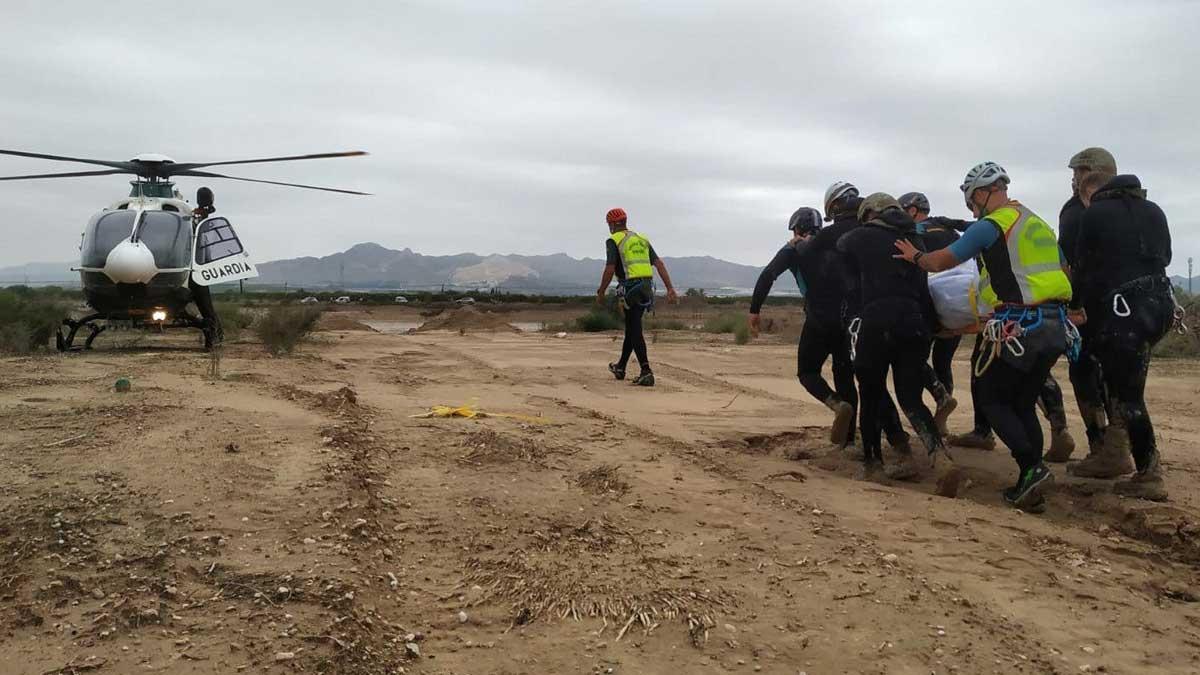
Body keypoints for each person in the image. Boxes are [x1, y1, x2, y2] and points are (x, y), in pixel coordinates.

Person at [895, 162, 1075, 512]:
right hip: (1054, 324)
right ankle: (1028, 476)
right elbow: (1065, 269)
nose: (972, 210)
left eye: (971, 203)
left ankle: (1032, 469)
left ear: (980, 194)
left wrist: (914, 255)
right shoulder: (1036, 222)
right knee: (1022, 403)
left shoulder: (991, 225)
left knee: (992, 400)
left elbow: (941, 261)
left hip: (1019, 326)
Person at [1070, 169, 1175, 500]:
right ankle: (1124, 456)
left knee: (1128, 395)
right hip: (1161, 304)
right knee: (1129, 382)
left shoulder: (1095, 213)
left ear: (1094, 191)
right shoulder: (1154, 209)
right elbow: (1167, 257)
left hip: (1124, 308)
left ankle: (1149, 473)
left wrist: (1076, 306)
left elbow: (1083, 266)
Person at [838, 193, 947, 480]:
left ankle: (873, 465)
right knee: (911, 397)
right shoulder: (916, 241)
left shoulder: (859, 237)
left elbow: (842, 249)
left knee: (871, 394)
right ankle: (941, 458)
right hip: (914, 323)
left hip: (877, 322)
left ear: (871, 213)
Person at [1061, 148, 1124, 472]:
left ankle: (1103, 446)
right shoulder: (1131, 205)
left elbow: (1073, 265)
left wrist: (1072, 305)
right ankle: (1116, 448)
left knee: (1084, 371)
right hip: (1126, 306)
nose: (1073, 179)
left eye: (1078, 172)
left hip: (1089, 306)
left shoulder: (1075, 212)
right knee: (1117, 376)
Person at [899, 191, 967, 433]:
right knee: (943, 361)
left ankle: (938, 400)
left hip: (927, 306)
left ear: (912, 211)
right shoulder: (949, 231)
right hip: (955, 306)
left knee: (914, 359)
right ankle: (942, 421)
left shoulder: (912, 235)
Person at [596, 207, 678, 387]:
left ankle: (646, 370)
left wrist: (601, 291)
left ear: (612, 224)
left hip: (630, 287)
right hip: (647, 287)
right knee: (632, 327)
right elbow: (659, 264)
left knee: (634, 329)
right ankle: (621, 367)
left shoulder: (614, 240)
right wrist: (670, 287)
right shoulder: (641, 239)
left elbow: (610, 268)